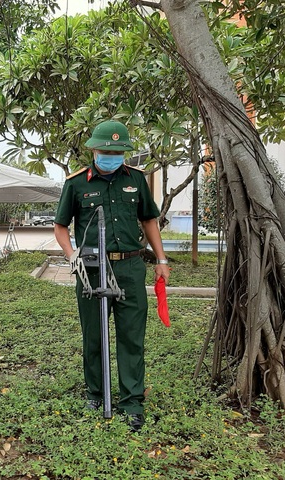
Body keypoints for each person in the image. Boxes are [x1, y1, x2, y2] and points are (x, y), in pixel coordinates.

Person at [53, 119, 170, 432]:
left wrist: (161, 259)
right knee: (94, 334)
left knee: (132, 336)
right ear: (93, 150)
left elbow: (149, 220)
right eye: (105, 150)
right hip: (92, 269)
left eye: (117, 151)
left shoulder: (135, 180)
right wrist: (71, 255)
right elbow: (60, 227)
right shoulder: (76, 183)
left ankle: (132, 402)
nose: (111, 155)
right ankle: (95, 393)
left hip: (130, 267)